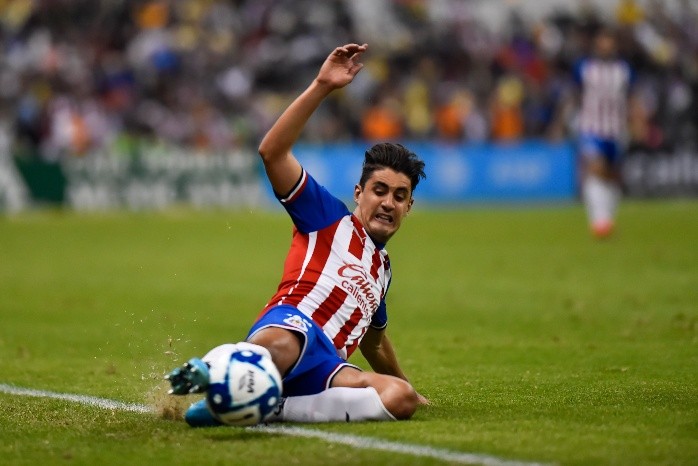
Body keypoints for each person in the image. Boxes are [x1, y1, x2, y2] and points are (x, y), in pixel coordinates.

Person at [166, 43, 428, 425]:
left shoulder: (382, 272)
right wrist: (322, 86)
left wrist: (410, 388)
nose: (388, 203)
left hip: (327, 367)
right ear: (359, 193)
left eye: (399, 196)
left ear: (409, 207)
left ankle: (269, 404)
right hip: (292, 325)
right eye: (380, 191)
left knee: (398, 399)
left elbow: (374, 343)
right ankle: (217, 371)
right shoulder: (327, 216)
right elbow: (272, 153)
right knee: (284, 344)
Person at [574, 28, 634, 238]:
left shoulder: (624, 69)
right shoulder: (584, 67)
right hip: (591, 127)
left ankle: (607, 216)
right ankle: (599, 220)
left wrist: (637, 121)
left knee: (612, 175)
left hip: (616, 129)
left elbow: (632, 97)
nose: (605, 45)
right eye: (602, 41)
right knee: (596, 168)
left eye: (609, 41)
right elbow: (574, 93)